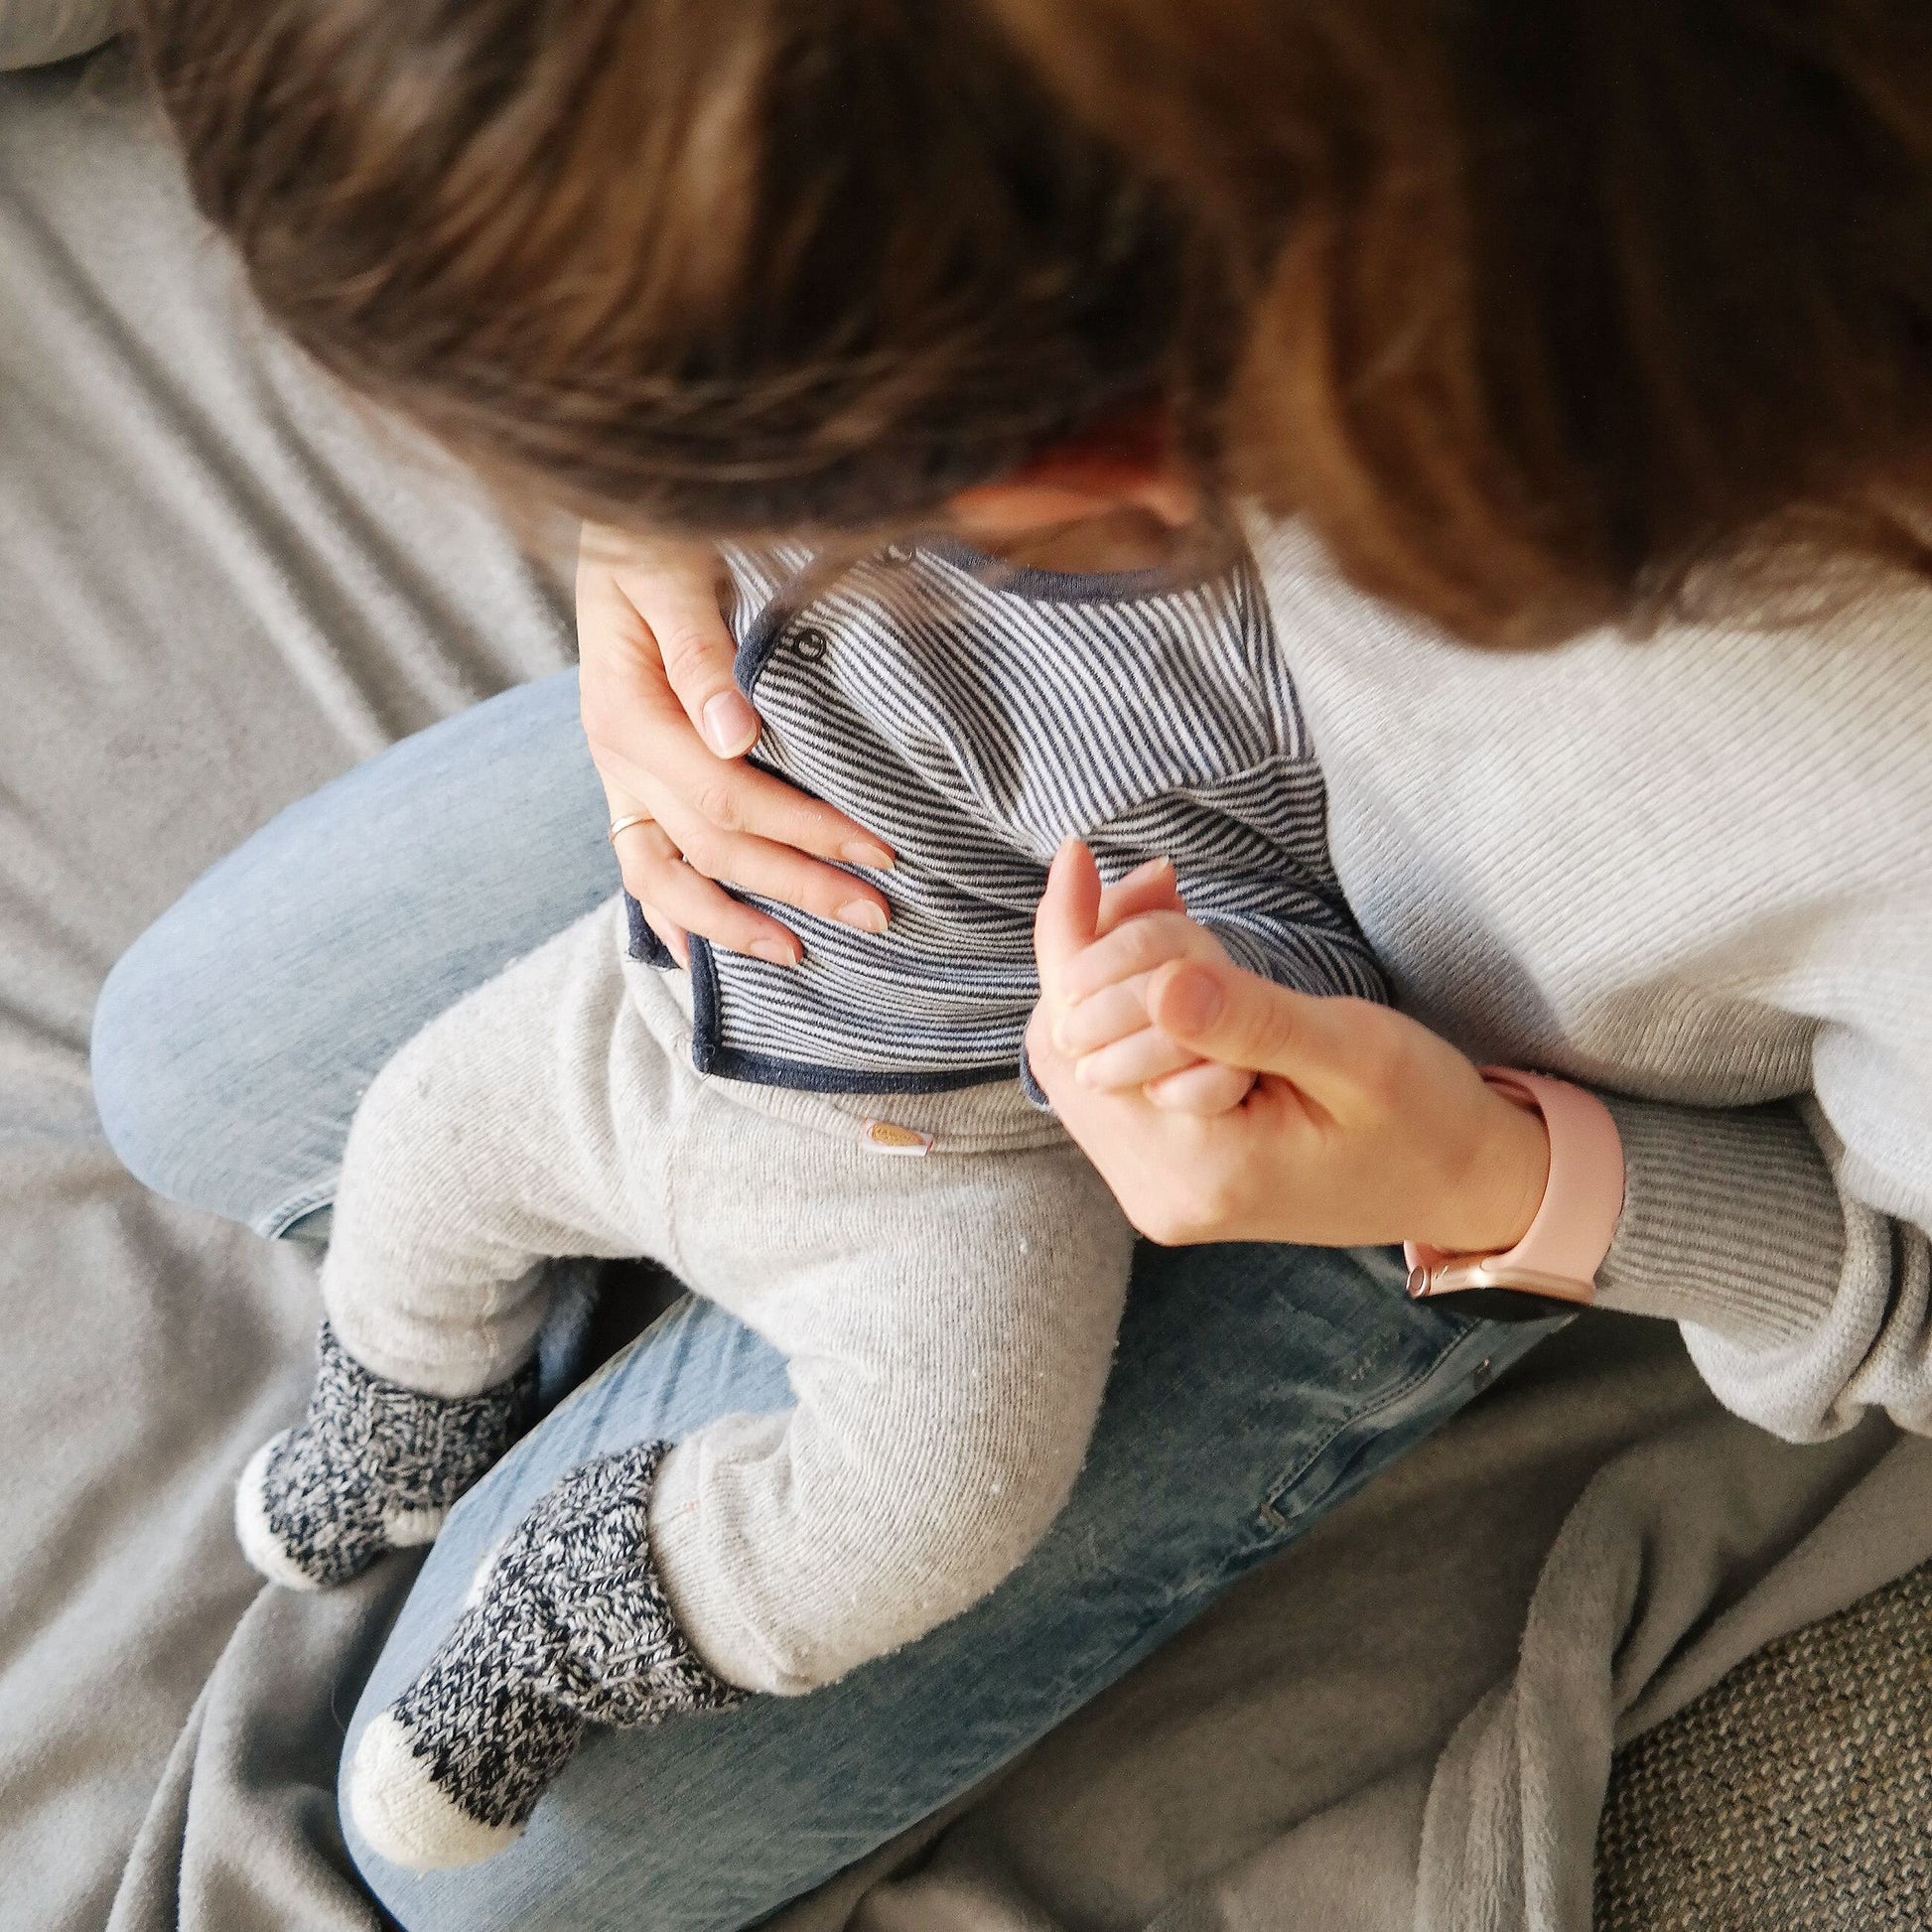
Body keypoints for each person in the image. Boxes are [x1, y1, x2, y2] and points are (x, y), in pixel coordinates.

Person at [96, 0, 1932, 1924]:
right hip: (895, 747)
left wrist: (1495, 1179)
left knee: (485, 1876)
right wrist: (642, 494)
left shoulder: (1835, 748)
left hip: (1372, 1092)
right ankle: (455, 1359)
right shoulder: (1064, 179)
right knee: (187, 1070)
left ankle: (617, 1554)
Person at [238, 524, 1398, 1869]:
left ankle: (578, 1617)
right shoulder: (761, 418)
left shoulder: (1204, 670)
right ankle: (403, 1417)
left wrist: (1176, 1025)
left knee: (944, 1485)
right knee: (417, 1136)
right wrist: (630, 518)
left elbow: (1316, 938)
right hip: (656, 1001)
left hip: (952, 1166)